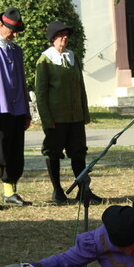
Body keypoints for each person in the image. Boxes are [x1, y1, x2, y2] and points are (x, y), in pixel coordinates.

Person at [35, 20, 101, 204]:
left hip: (75, 117)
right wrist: (47, 119)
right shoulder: (45, 60)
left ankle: (83, 191)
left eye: (66, 34)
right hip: (56, 117)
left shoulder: (73, 57)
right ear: (53, 38)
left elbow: (81, 86)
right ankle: (57, 191)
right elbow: (41, 93)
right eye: (60, 34)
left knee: (78, 152)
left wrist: (85, 113)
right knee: (53, 152)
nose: (65, 37)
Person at [0, 7, 32, 206]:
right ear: (0, 25)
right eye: (11, 30)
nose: (15, 34)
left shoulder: (16, 51)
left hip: (17, 109)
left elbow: (22, 80)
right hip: (0, 109)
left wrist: (26, 111)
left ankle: (10, 192)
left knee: (14, 152)